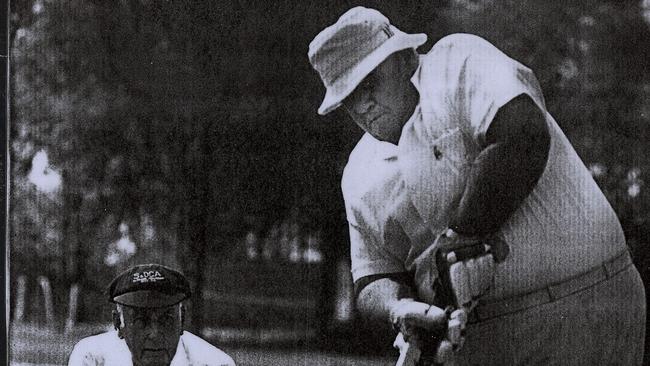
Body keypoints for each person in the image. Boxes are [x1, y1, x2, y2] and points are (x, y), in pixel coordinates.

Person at [308, 6, 646, 365]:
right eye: (347, 98)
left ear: (404, 57)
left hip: (582, 308)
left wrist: (462, 235)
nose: (362, 106)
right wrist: (398, 307)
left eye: (368, 83)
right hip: (473, 344)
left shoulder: (457, 61)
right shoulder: (359, 172)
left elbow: (523, 135)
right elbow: (373, 276)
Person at [68, 263, 235, 366]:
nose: (154, 334)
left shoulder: (215, 363)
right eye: (140, 320)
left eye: (166, 319)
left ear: (182, 320)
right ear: (118, 323)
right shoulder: (92, 359)